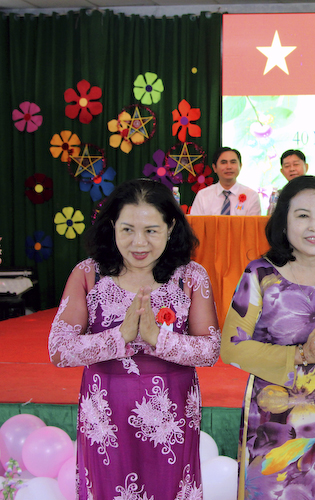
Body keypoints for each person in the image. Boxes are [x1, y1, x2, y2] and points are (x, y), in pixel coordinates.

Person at [48, 179, 221, 500]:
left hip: (171, 415)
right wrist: (119, 337)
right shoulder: (89, 273)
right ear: (112, 226)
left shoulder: (190, 276)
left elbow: (210, 350)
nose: (139, 243)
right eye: (127, 229)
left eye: (151, 231)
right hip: (105, 415)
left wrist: (157, 338)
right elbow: (59, 350)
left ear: (171, 227)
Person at [221, 175, 315, 500]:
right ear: (284, 221)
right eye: (302, 215)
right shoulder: (259, 274)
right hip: (273, 417)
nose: (314, 226)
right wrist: (300, 355)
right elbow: (231, 347)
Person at [191, 146, 262, 215]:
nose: (229, 167)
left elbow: (254, 223)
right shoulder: (203, 196)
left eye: (233, 162)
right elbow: (195, 222)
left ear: (240, 166)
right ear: (215, 168)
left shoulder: (252, 196)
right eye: (223, 162)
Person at [267, 149, 309, 215]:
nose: (292, 169)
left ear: (306, 167)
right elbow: (271, 218)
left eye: (296, 164)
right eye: (287, 166)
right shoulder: (278, 195)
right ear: (282, 171)